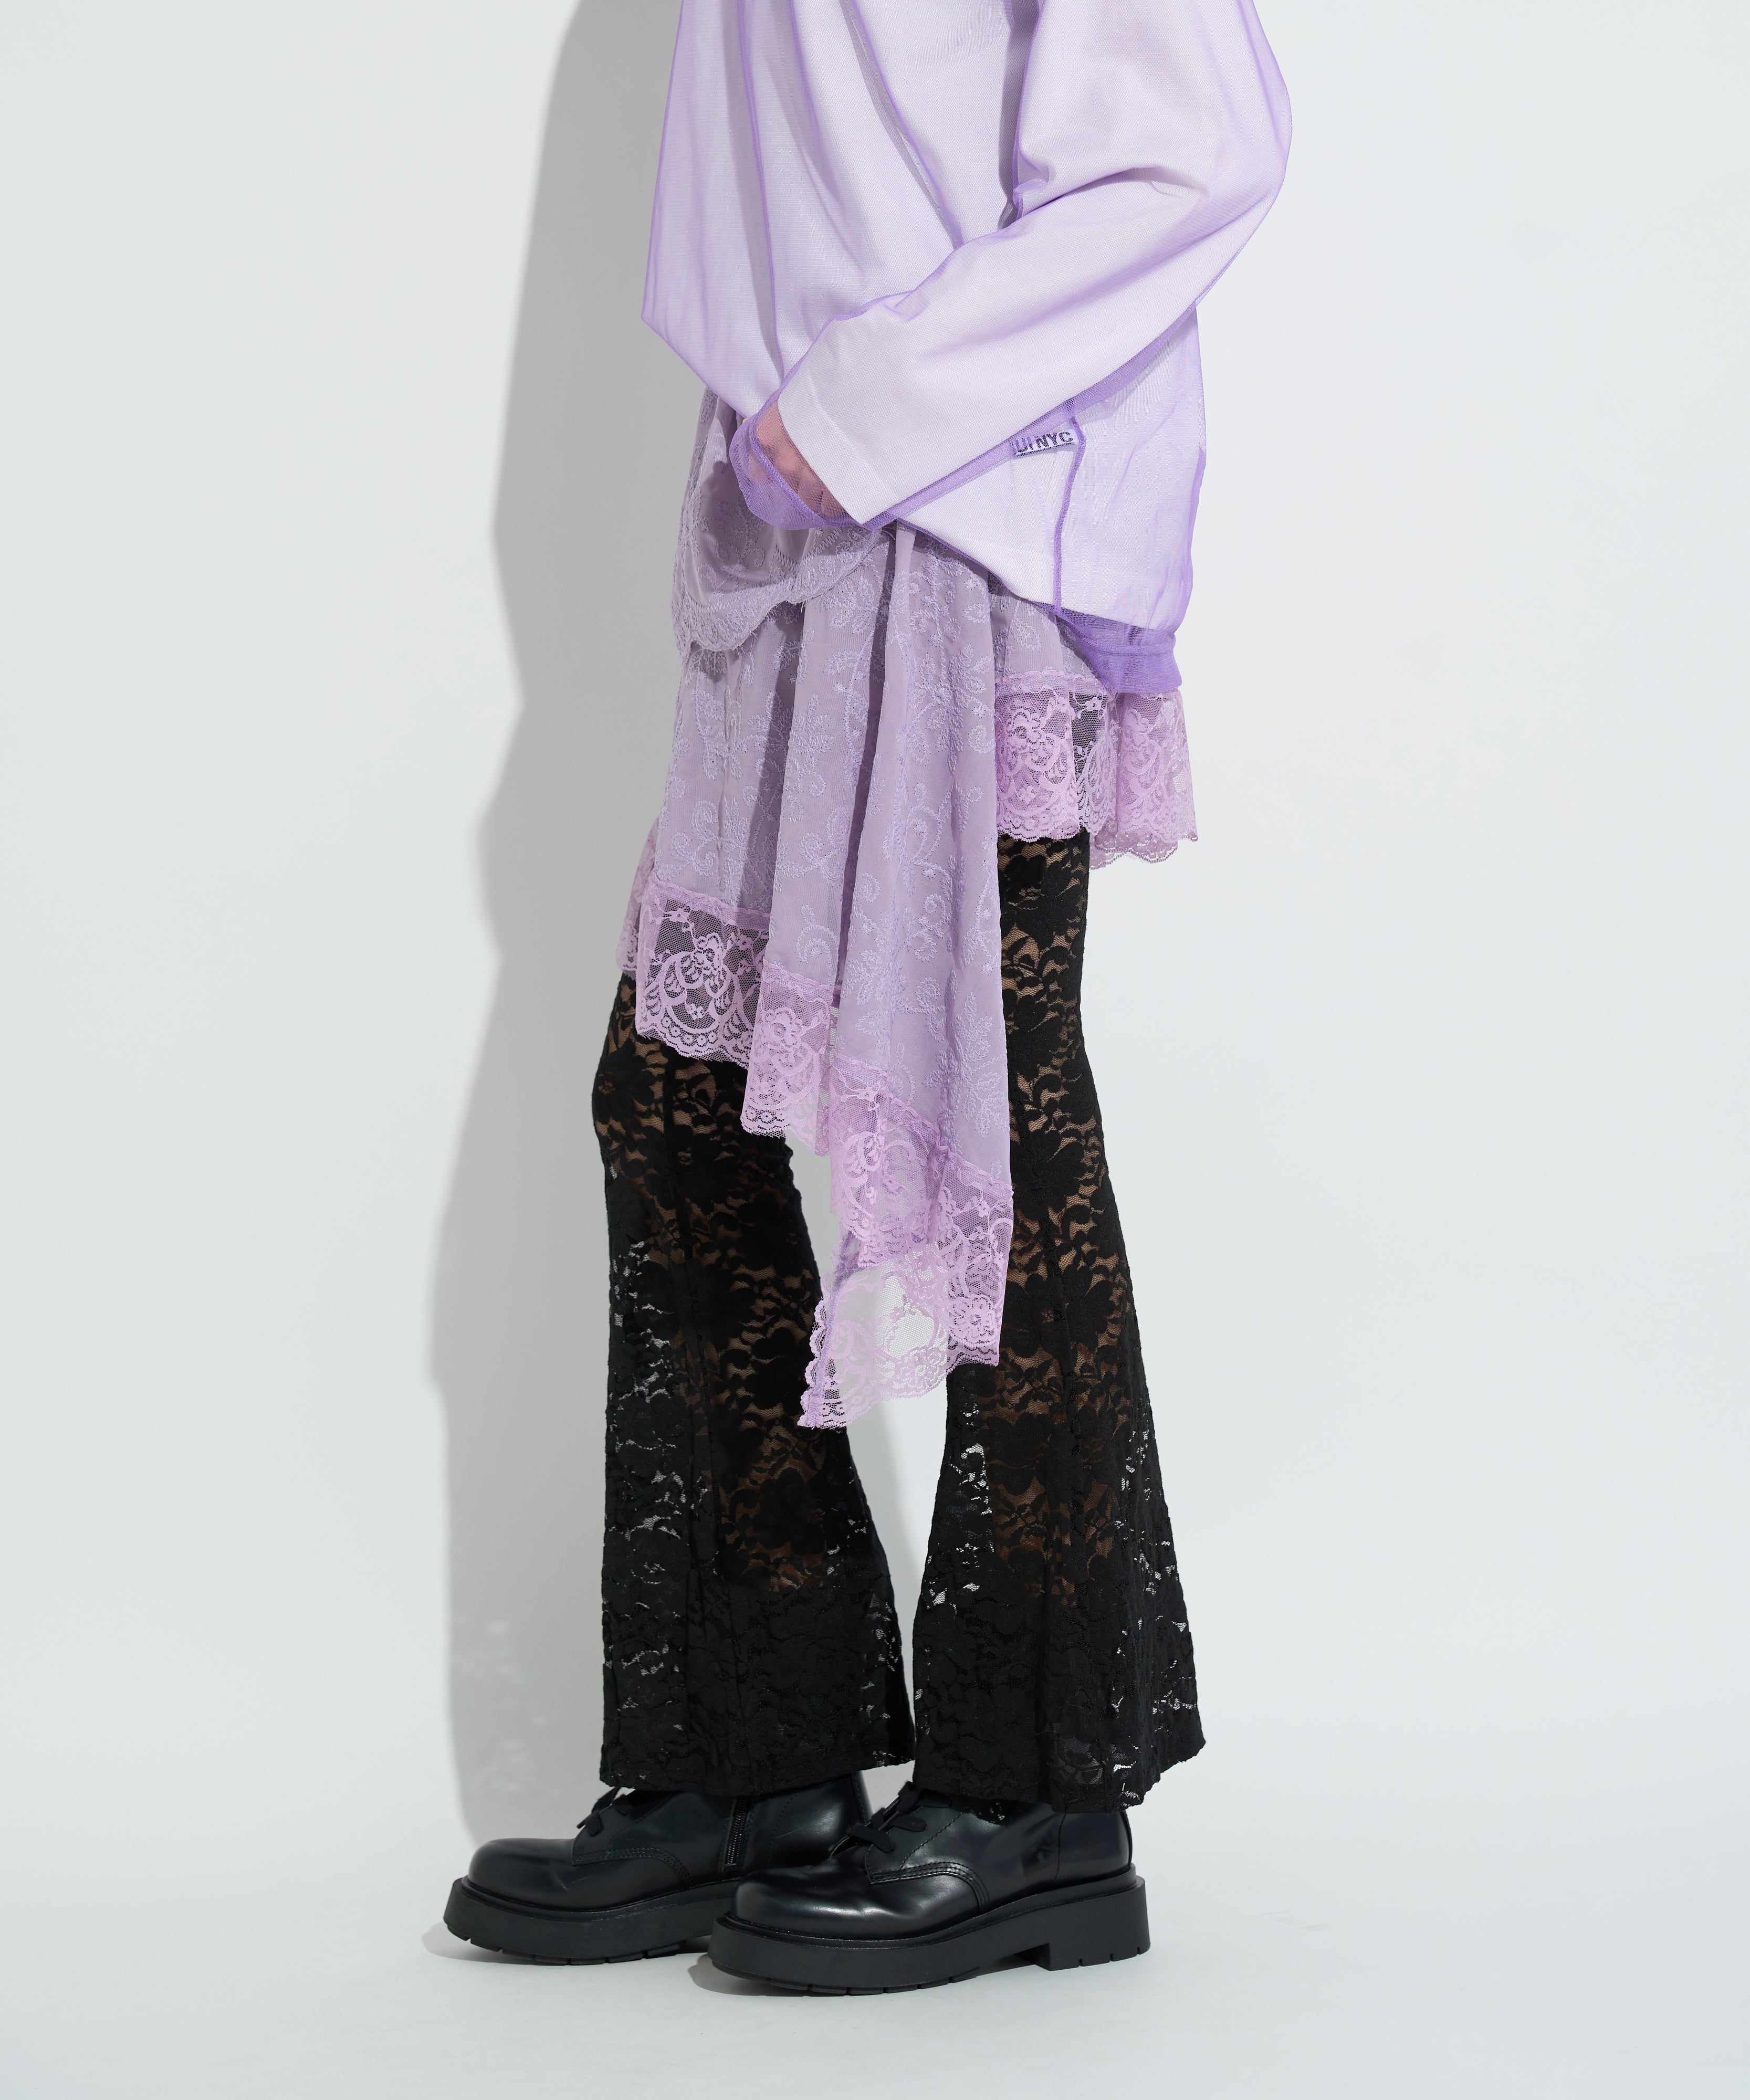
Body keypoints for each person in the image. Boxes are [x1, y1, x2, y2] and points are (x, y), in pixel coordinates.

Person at [443, 0, 1289, 1993]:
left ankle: (1039, 1792)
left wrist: (871, 398)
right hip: (805, 495)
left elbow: (1197, 147)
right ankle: (763, 1754)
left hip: (970, 498)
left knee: (997, 1118)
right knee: (679, 1096)